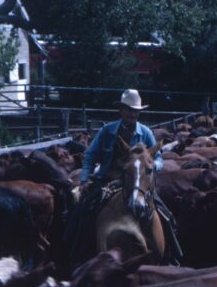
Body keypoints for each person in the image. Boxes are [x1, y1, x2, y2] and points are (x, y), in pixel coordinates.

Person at [67, 89, 183, 265]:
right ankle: (76, 253)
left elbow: (158, 157)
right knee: (83, 209)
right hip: (108, 178)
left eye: (135, 110)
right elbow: (90, 155)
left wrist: (152, 167)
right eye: (129, 109)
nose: (132, 114)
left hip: (139, 181)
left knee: (164, 212)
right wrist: (84, 179)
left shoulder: (145, 132)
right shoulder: (108, 131)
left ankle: (172, 255)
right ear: (121, 110)